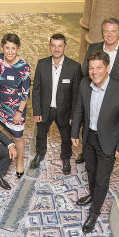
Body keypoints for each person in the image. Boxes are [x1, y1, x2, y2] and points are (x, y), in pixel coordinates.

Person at [71, 50, 119, 234]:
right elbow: (78, 108)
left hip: (109, 142)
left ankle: (94, 212)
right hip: (89, 137)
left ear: (107, 68)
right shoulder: (85, 83)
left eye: (99, 67)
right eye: (91, 68)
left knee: (102, 179)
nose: (94, 72)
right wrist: (75, 132)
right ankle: (93, 195)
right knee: (90, 170)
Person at [78, 17, 119, 165]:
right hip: (94, 95)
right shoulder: (93, 48)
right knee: (89, 124)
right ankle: (86, 151)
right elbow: (85, 73)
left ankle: (107, 152)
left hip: (114, 102)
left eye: (113, 31)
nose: (109, 35)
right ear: (103, 33)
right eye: (106, 31)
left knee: (108, 128)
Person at [30, 34, 82, 174]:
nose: (56, 49)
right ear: (49, 47)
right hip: (45, 110)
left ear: (65, 47)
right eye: (53, 45)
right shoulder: (42, 64)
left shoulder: (75, 67)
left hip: (65, 111)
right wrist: (37, 111)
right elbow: (36, 90)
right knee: (41, 135)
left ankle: (65, 158)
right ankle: (40, 154)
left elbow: (77, 95)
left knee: (66, 138)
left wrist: (74, 116)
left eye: (59, 45)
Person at [0, 33, 31, 178]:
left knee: (18, 136)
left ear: (18, 49)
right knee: (6, 131)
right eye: (7, 48)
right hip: (1, 105)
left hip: (16, 108)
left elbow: (26, 93)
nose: (9, 51)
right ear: (2, 47)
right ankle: (9, 153)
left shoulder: (23, 67)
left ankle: (19, 161)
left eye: (13, 48)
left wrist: (19, 112)